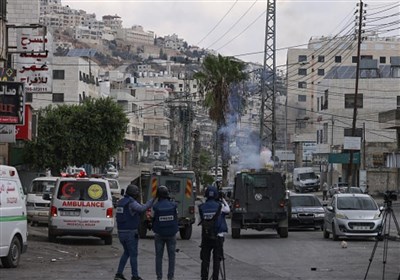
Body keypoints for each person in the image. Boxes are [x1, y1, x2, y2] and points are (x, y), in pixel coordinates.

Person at [114, 184, 154, 280]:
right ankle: (135, 276)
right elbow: (142, 209)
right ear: (134, 194)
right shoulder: (131, 202)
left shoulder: (121, 202)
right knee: (133, 254)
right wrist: (152, 200)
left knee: (126, 253)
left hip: (121, 232)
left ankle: (119, 274)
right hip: (130, 232)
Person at [198, 186, 230, 280]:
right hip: (218, 236)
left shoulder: (201, 207)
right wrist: (223, 199)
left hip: (206, 236)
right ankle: (215, 277)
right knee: (216, 260)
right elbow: (228, 210)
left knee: (205, 260)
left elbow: (200, 221)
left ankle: (204, 277)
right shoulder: (220, 206)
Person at [152, 185, 179, 280]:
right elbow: (176, 217)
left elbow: (153, 219)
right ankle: (170, 277)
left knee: (158, 257)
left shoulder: (156, 206)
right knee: (172, 257)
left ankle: (159, 277)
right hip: (171, 234)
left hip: (159, 234)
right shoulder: (173, 205)